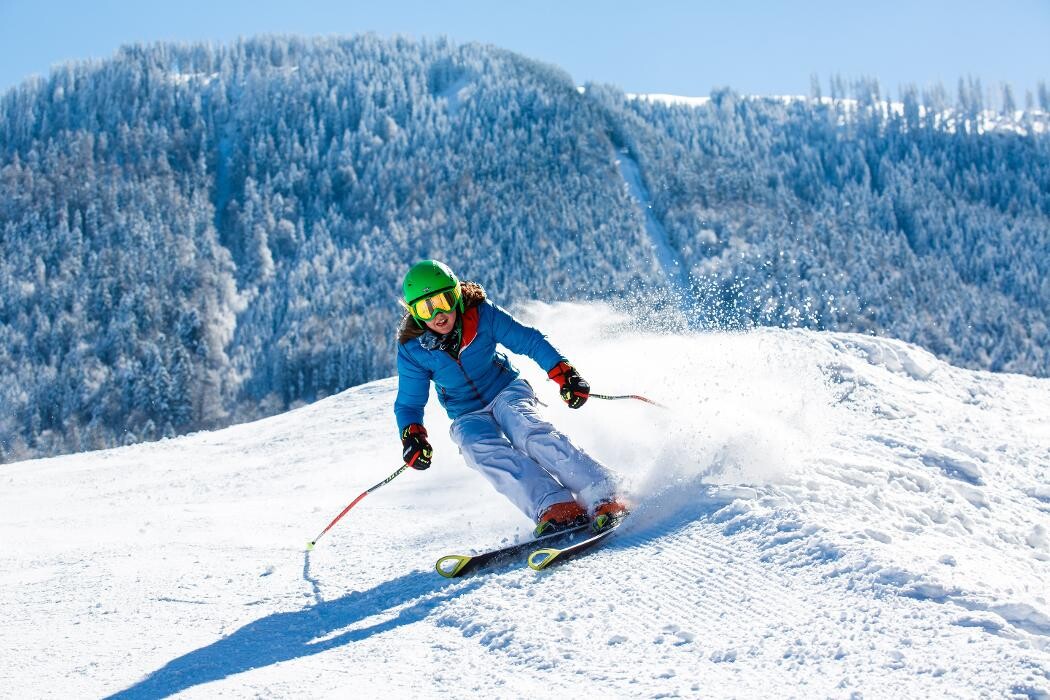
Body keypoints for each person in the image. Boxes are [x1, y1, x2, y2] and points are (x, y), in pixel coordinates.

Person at [394, 260, 628, 535]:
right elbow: (409, 403)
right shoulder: (413, 349)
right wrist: (413, 436)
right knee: (475, 446)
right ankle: (553, 504)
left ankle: (602, 491)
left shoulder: (482, 315)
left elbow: (530, 340)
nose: (439, 314)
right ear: (415, 313)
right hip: (466, 412)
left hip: (505, 389)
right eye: (426, 308)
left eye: (444, 300)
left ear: (456, 295)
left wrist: (564, 374)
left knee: (524, 427)